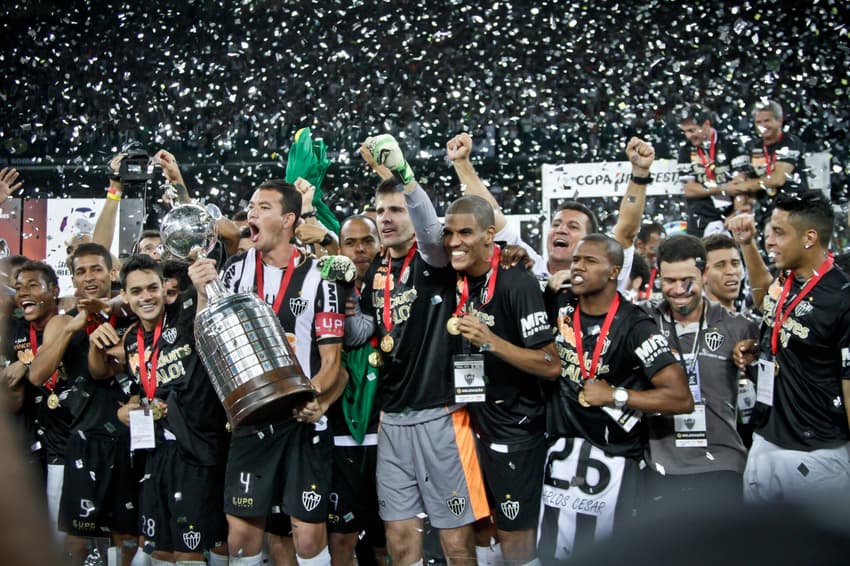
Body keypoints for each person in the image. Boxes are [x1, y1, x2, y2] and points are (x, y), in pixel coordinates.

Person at [189, 179, 345, 566]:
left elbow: (332, 362)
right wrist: (201, 296)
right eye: (251, 206)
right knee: (241, 535)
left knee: (308, 538)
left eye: (263, 208)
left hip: (300, 422)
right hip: (252, 418)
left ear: (289, 219)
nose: (251, 214)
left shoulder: (321, 277)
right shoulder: (232, 273)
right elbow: (208, 343)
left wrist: (314, 396)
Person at [359, 135, 489, 565]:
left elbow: (434, 233)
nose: (387, 219)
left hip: (442, 416)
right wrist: (336, 295)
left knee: (456, 543)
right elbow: (363, 331)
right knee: (399, 540)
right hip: (391, 421)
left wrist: (407, 181)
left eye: (396, 210)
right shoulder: (379, 270)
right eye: (381, 211)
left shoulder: (433, 260)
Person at [540, 233, 692, 562]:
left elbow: (680, 398)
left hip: (612, 459)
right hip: (559, 453)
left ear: (613, 272)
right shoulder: (560, 303)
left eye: (590, 261)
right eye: (576, 260)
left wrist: (616, 395)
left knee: (604, 555)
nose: (577, 267)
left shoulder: (636, 324)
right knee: (552, 555)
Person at [442, 194, 560, 565]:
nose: (454, 241)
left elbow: (550, 363)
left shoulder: (517, 283)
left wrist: (492, 342)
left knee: (515, 534)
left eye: (465, 232)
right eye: (449, 233)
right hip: (467, 424)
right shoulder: (451, 277)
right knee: (480, 526)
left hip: (514, 429)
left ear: (489, 235)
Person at [88, 254, 228, 564]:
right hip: (156, 453)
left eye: (152, 288)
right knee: (160, 548)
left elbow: (205, 315)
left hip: (198, 451)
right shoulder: (132, 340)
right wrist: (129, 408)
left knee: (191, 549)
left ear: (164, 287)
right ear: (124, 296)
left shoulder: (185, 317)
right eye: (136, 291)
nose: (146, 297)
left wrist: (204, 287)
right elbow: (142, 389)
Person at [728, 192, 850, 502]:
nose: (770, 241)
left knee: (817, 551)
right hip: (766, 439)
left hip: (818, 453)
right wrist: (767, 347)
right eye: (769, 232)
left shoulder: (842, 298)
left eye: (779, 233)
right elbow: (765, 302)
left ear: (810, 237)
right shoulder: (788, 280)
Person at [28, 244, 140, 564]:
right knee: (77, 539)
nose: (89, 276)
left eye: (96, 269)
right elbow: (36, 375)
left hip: (129, 440)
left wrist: (111, 308)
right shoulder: (61, 324)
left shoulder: (130, 314)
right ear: (72, 279)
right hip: (84, 442)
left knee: (127, 537)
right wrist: (74, 328)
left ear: (112, 273)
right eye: (80, 271)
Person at [643, 235, 757, 508]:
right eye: (669, 281)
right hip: (660, 466)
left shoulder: (738, 326)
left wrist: (754, 353)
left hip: (722, 464)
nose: (679, 289)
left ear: (704, 273)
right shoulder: (644, 320)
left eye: (687, 280)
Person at [327, 214, 386, 566]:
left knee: (390, 536)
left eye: (368, 241)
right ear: (339, 248)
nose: (360, 249)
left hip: (388, 432)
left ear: (380, 245)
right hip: (337, 432)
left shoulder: (394, 287)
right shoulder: (323, 288)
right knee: (341, 538)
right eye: (351, 242)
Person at [2, 261, 69, 546]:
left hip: (68, 443)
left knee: (64, 536)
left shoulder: (69, 321)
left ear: (54, 290)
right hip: (33, 444)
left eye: (32, 285)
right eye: (19, 287)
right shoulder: (15, 330)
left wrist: (25, 361)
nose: (24, 293)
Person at [729, 99, 809, 231]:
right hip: (765, 213)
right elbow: (746, 177)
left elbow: (778, 179)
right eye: (758, 122)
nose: (762, 126)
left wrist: (742, 186)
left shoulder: (790, 142)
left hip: (792, 210)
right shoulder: (754, 147)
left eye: (767, 121)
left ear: (779, 120)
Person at [675, 104, 743, 238]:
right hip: (700, 220)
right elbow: (690, 190)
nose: (689, 136)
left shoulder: (730, 144)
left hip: (731, 217)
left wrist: (736, 212)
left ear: (706, 124)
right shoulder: (686, 151)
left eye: (692, 130)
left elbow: (741, 183)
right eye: (685, 131)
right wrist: (723, 188)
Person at [701, 234, 745, 313]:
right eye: (720, 266)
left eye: (735, 263)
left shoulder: (750, 323)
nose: (731, 271)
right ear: (703, 274)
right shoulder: (694, 323)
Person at [635, 222, 666, 301]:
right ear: (640, 244)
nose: (658, 255)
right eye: (654, 249)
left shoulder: (664, 274)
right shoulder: (627, 272)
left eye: (662, 249)